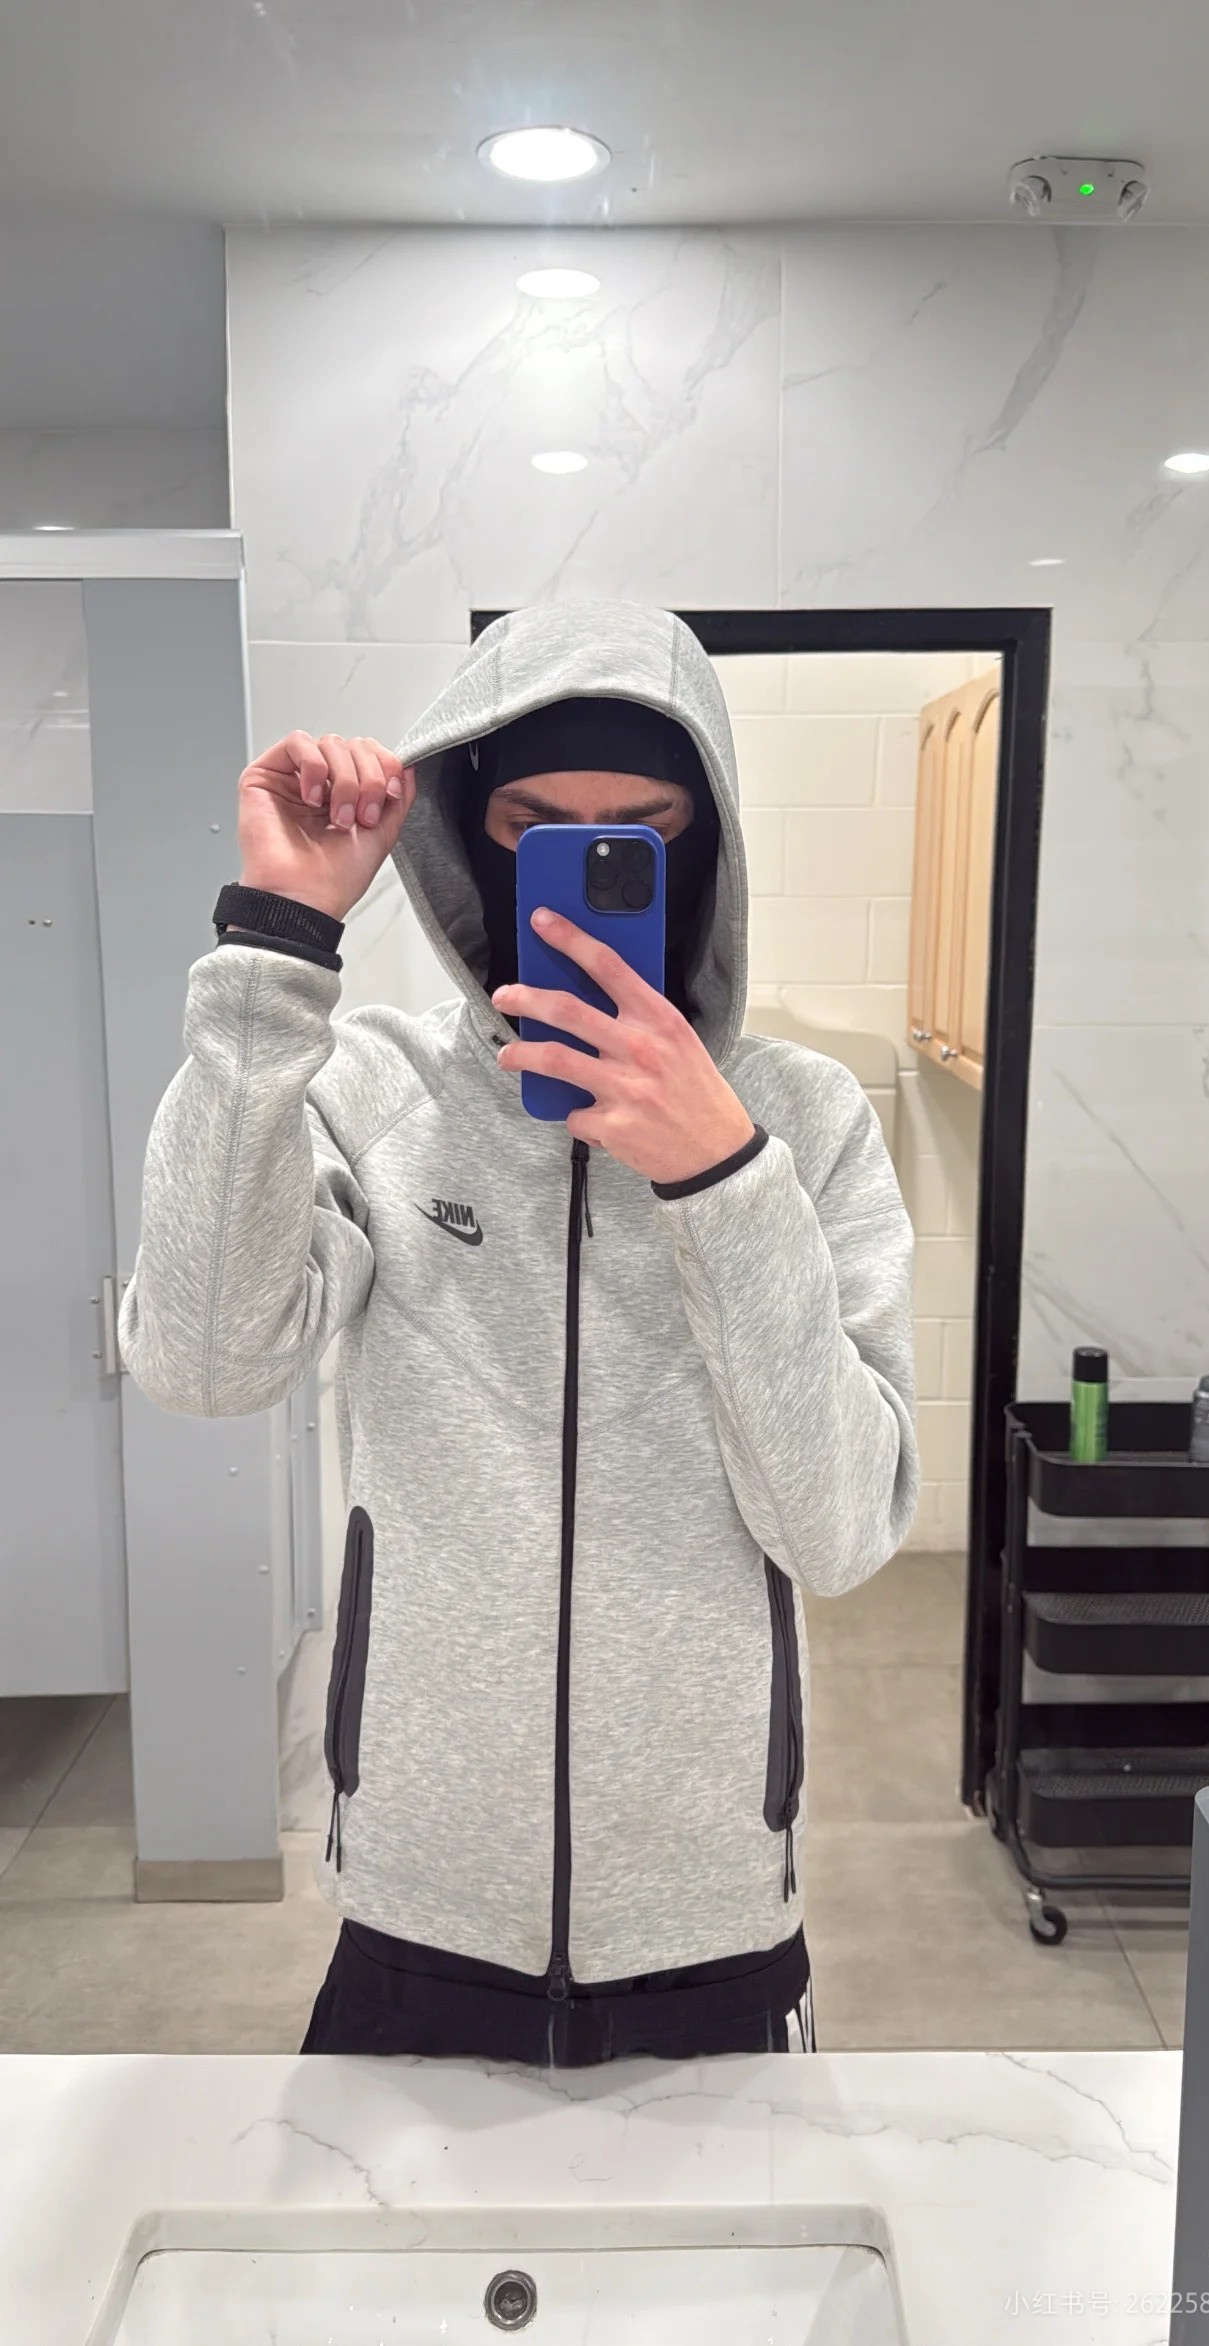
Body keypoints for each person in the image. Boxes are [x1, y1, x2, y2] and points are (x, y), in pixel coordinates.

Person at [119, 597, 919, 2064]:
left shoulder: (802, 1122)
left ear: (710, 851)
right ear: (470, 840)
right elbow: (201, 1361)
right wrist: (279, 945)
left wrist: (720, 1178)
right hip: (419, 1905)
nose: (588, 870)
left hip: (713, 1919)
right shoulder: (377, 1089)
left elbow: (842, 1530)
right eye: (538, 827)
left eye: (644, 832)